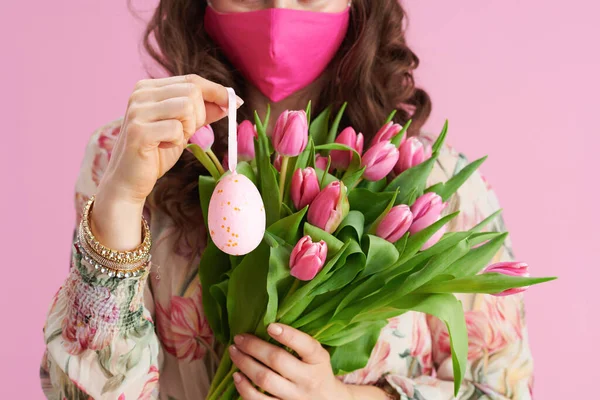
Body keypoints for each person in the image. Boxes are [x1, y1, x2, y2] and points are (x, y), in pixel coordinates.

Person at [40, 1, 534, 399]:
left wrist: (345, 399)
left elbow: (504, 387)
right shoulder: (126, 158)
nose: (277, 10)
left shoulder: (440, 185)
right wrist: (122, 201)